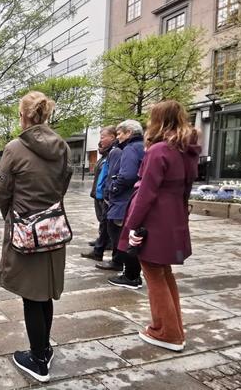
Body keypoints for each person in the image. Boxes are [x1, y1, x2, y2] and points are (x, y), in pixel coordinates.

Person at [0, 91, 72, 383]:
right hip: (52, 229)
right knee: (46, 292)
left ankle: (38, 359)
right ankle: (45, 347)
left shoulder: (14, 148)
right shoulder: (62, 147)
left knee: (31, 294)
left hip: (26, 230)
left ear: (23, 115)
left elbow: (3, 192)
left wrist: (12, 215)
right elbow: (63, 184)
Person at [118, 100, 200, 352]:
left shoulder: (159, 150)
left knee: (153, 275)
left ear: (158, 120)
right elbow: (185, 191)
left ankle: (167, 333)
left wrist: (132, 226)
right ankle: (174, 327)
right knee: (164, 274)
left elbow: (146, 193)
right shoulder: (186, 150)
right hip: (174, 216)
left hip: (154, 219)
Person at [96, 120, 145, 290]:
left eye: (120, 133)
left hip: (123, 200)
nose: (118, 137)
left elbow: (128, 174)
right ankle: (128, 270)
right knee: (126, 234)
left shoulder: (131, 149)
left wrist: (114, 188)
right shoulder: (142, 146)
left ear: (129, 132)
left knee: (119, 234)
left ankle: (130, 274)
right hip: (131, 198)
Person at [81, 126, 116, 261]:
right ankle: (101, 242)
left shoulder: (114, 153)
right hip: (99, 192)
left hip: (105, 194)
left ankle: (104, 245)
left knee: (105, 220)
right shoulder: (105, 154)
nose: (100, 141)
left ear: (112, 137)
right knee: (102, 220)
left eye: (103, 137)